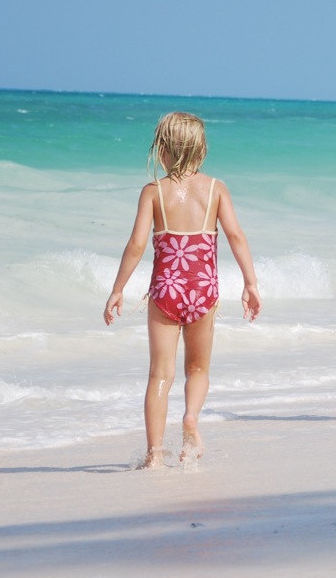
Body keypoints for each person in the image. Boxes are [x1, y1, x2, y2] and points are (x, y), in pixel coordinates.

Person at [104, 112, 260, 468]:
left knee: (160, 374)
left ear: (163, 149)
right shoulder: (216, 188)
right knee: (198, 369)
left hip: (165, 290)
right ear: (201, 149)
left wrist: (118, 289)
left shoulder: (154, 192)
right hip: (203, 289)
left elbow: (136, 245)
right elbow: (236, 236)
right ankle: (190, 418)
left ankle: (155, 455)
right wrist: (250, 283)